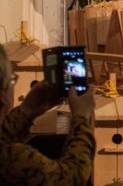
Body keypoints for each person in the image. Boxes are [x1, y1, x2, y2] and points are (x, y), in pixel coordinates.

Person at [0, 44, 96, 185]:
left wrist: (26, 111)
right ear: (2, 94)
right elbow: (74, 177)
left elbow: (2, 139)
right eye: (12, 80)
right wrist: (82, 118)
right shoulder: (14, 159)